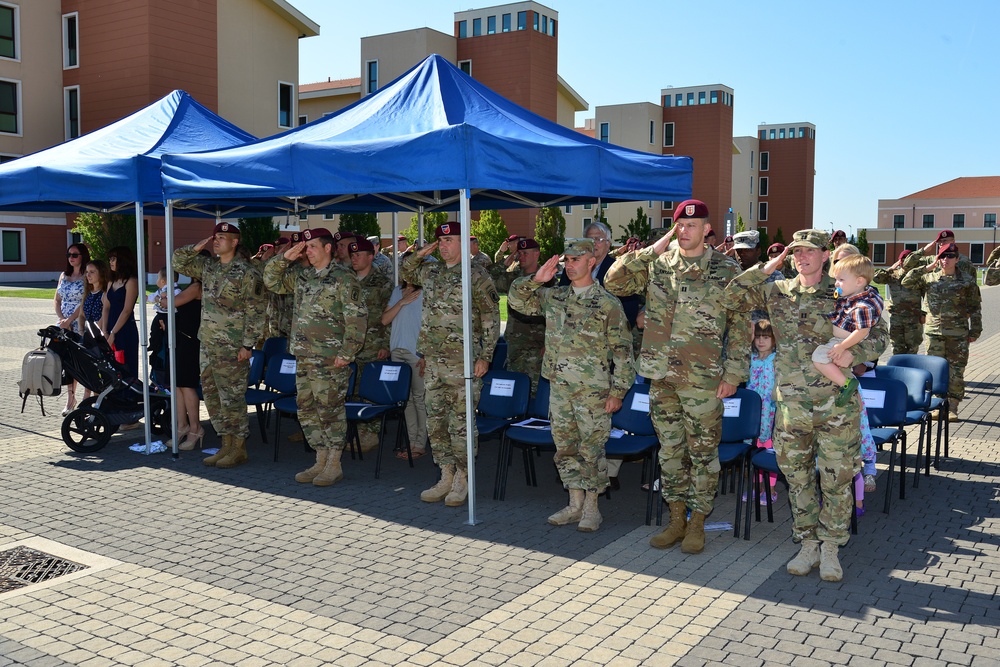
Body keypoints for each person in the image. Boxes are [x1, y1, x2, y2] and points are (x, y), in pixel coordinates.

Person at [722, 229, 889, 582]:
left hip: (834, 405)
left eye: (809, 251)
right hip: (791, 405)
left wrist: (850, 353)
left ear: (825, 255)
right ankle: (807, 542)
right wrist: (768, 267)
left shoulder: (842, 289)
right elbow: (730, 295)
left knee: (837, 479)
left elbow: (879, 336)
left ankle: (830, 547)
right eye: (796, 252)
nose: (801, 257)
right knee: (797, 480)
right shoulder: (777, 290)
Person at [604, 199, 748, 554]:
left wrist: (733, 374)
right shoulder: (658, 265)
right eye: (679, 226)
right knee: (670, 452)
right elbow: (613, 280)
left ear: (706, 229)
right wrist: (654, 247)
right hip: (661, 374)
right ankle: (676, 519)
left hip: (704, 379)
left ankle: (698, 522)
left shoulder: (727, 270)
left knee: (702, 454)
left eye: (691, 226)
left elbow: (742, 327)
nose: (684, 232)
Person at [508, 239, 634, 532]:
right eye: (567, 259)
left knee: (591, 449)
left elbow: (624, 353)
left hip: (593, 390)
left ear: (592, 261)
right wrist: (535, 279)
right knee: (565, 448)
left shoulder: (607, 303)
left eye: (577, 259)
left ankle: (592, 508)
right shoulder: (555, 297)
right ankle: (574, 503)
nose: (570, 264)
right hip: (560, 388)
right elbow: (516, 301)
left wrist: (618, 392)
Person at [400, 222, 501, 507]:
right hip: (433, 361)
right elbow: (405, 270)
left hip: (464, 363)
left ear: (463, 244)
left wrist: (486, 356)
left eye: (450, 241)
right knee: (437, 423)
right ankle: (445, 474)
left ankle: (463, 478)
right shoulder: (431, 271)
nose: (444, 246)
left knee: (461, 425)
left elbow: (491, 318)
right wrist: (421, 254)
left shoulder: (476, 275)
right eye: (441, 242)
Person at [264, 227, 367, 485]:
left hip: (331, 359)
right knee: (307, 409)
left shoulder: (343, 277)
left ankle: (334, 463)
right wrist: (285, 258)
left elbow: (357, 317)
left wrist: (347, 353)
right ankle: (320, 459)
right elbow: (271, 280)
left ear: (328, 248)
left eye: (312, 247)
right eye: (305, 247)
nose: (307, 252)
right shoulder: (302, 276)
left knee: (330, 410)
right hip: (304, 356)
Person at [173, 222, 266, 468]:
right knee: (213, 398)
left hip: (233, 347)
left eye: (222, 237)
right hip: (208, 344)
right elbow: (178, 262)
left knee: (232, 398)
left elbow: (256, 311)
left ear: (235, 242)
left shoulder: (247, 272)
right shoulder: (209, 267)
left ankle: (239, 447)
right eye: (215, 237)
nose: (216, 241)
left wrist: (248, 344)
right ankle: (226, 444)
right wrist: (197, 246)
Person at [902, 242, 982, 421]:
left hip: (958, 333)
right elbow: (906, 281)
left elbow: (975, 307)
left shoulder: (967, 281)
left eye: (950, 256)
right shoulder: (929, 277)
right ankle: (939, 405)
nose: (946, 260)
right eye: (942, 256)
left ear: (957, 259)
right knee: (936, 371)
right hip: (934, 333)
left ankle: (952, 406)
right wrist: (927, 267)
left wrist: (975, 330)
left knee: (956, 371)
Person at [812, 254, 884, 408]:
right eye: (836, 278)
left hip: (843, 342)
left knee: (818, 356)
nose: (836, 283)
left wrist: (842, 346)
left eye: (841, 280)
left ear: (859, 281)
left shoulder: (862, 306)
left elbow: (863, 332)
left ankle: (847, 384)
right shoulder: (856, 294)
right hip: (842, 341)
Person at [348, 237, 392, 452]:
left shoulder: (383, 282)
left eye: (358, 255)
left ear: (371, 257)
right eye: (352, 255)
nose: (354, 258)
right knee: (353, 388)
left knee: (371, 389)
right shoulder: (347, 280)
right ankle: (356, 431)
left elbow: (390, 314)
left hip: (374, 344)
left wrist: (386, 343)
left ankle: (370, 434)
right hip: (351, 345)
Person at [381, 270, 428, 459]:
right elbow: (385, 319)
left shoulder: (426, 292)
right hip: (397, 351)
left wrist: (426, 354)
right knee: (406, 399)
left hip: (416, 353)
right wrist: (401, 302)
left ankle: (420, 444)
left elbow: (431, 325)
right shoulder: (397, 291)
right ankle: (411, 442)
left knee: (419, 399)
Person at [491, 238, 547, 395]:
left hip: (538, 344)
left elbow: (556, 316)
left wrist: (549, 343)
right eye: (519, 253)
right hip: (516, 342)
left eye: (525, 253)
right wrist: (505, 259)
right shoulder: (513, 278)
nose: (521, 257)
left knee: (535, 390)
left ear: (537, 254)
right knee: (515, 388)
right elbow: (490, 278)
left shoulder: (548, 279)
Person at [170, 279, 205, 450]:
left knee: (187, 385)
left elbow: (171, 302)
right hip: (182, 339)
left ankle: (195, 428)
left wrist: (161, 299)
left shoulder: (197, 287)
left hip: (191, 341)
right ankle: (182, 425)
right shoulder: (192, 286)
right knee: (177, 385)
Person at [55, 243, 90, 414]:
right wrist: (62, 319)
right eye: (69, 254)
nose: (71, 257)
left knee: (82, 360)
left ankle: (87, 396)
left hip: (80, 322)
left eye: (75, 254)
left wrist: (70, 319)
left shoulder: (86, 276)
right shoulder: (64, 275)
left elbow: (84, 301)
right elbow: (56, 300)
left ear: (83, 256)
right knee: (67, 362)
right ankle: (70, 399)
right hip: (63, 324)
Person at [747, 319, 778, 503]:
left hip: (772, 414)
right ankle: (757, 488)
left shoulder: (777, 359)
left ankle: (771, 489)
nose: (761, 341)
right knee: (755, 449)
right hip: (754, 415)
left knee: (770, 450)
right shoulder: (750, 359)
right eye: (757, 337)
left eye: (766, 337)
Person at [873, 250, 924, 355]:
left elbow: (927, 295)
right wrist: (891, 268)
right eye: (903, 260)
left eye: (908, 259)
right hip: (897, 318)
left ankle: (911, 370)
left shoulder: (918, 275)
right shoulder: (892, 275)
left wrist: (924, 313)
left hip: (913, 318)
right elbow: (876, 278)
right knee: (897, 348)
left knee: (912, 348)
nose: (905, 262)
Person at [101, 246, 140, 381]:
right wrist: (105, 331)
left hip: (125, 330)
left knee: (125, 366)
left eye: (114, 258)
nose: (110, 262)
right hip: (111, 327)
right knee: (111, 367)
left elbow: (127, 310)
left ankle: (128, 398)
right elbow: (106, 306)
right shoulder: (111, 281)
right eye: (109, 259)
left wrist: (113, 333)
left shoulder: (132, 281)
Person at [147, 268, 181, 387]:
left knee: (160, 330)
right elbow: (153, 296)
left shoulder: (175, 290)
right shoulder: (161, 290)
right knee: (155, 328)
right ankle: (154, 343)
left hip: (169, 317)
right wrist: (151, 298)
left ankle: (155, 343)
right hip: (161, 315)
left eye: (157, 278)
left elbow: (171, 300)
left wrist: (160, 298)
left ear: (163, 281)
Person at [902, 229, 976, 281]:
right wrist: (923, 251)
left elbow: (972, 285)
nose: (941, 244)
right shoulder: (932, 260)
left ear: (953, 241)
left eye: (945, 241)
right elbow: (907, 265)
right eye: (939, 242)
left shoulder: (964, 261)